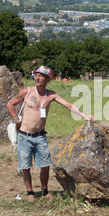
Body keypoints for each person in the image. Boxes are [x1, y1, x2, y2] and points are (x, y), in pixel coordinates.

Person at [6, 66, 95, 203]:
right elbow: (10, 104)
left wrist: (84, 115)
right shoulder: (27, 92)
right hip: (25, 136)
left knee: (45, 165)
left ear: (48, 79)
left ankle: (44, 191)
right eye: (36, 75)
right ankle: (30, 193)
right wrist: (16, 119)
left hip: (41, 136)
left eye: (41, 76)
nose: (37, 78)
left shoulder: (51, 95)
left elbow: (68, 105)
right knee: (25, 166)